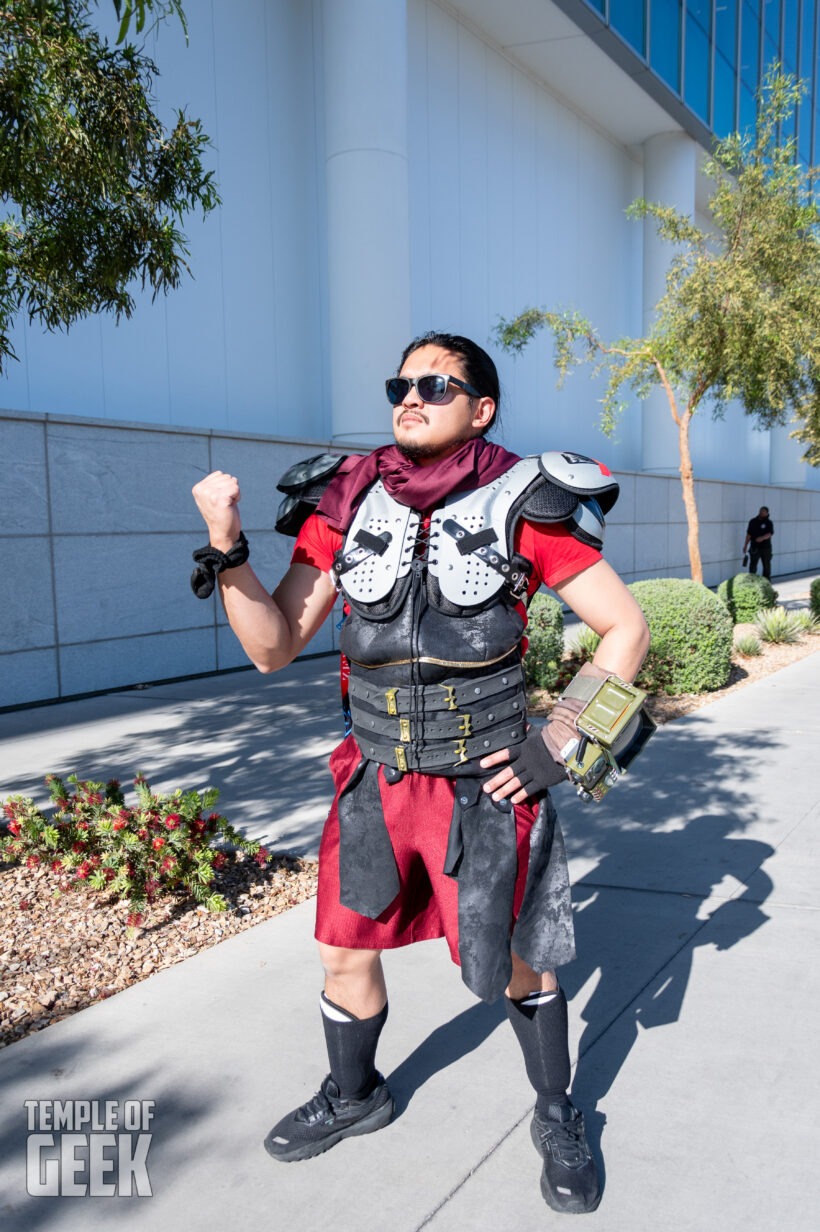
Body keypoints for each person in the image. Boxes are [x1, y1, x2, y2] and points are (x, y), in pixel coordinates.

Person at [191, 332, 649, 1216]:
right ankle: (356, 1095)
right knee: (342, 947)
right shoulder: (345, 499)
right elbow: (272, 646)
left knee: (521, 959)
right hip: (373, 774)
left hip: (486, 779)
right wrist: (228, 548)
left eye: (436, 384)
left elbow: (624, 630)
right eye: (401, 382)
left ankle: (556, 1113)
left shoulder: (525, 499)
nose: (411, 395)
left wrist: (558, 741)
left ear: (481, 408)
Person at [743, 506, 774, 579]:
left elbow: (770, 534)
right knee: (753, 566)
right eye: (761, 511)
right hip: (754, 547)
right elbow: (748, 535)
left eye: (763, 512)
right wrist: (745, 545)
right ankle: (752, 582)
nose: (761, 513)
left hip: (766, 548)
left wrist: (762, 538)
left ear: (767, 513)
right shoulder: (753, 521)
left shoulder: (769, 523)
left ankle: (766, 582)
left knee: (766, 565)